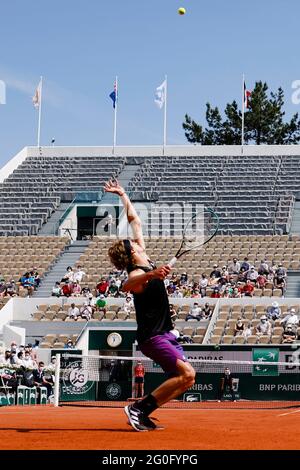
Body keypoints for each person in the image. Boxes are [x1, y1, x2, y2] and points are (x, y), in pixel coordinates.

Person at [105, 178, 195, 432]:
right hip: (153, 337)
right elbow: (126, 286)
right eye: (131, 242)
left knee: (185, 380)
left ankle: (143, 413)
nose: (134, 239)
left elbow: (135, 220)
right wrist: (152, 275)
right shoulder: (136, 274)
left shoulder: (143, 255)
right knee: (187, 375)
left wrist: (123, 195)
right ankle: (137, 409)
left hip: (164, 333)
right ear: (130, 252)